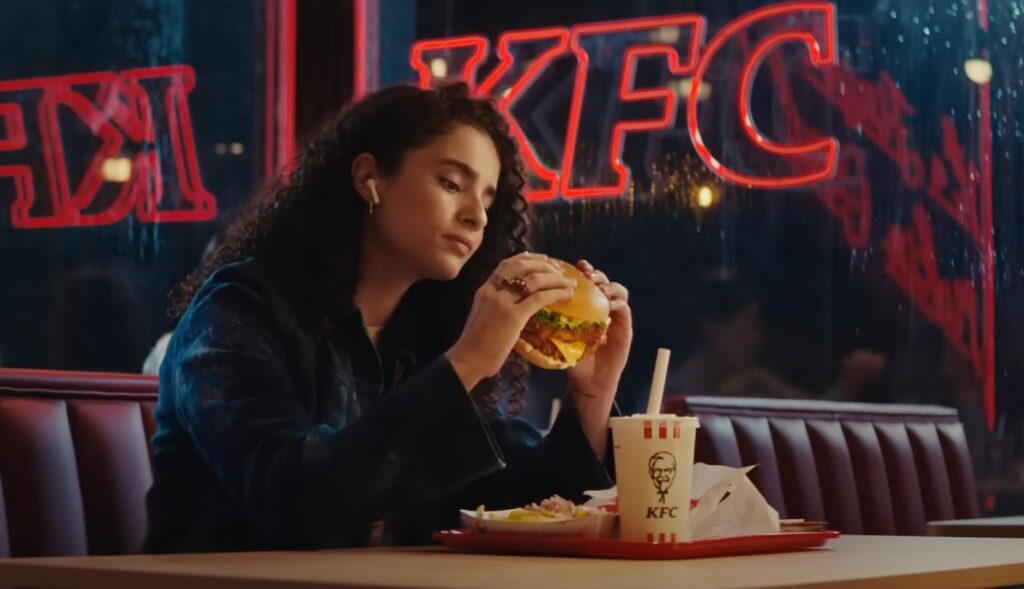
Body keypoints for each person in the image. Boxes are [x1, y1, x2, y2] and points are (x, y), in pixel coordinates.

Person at [143, 83, 633, 553]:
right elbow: (293, 497)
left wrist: (592, 393)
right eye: (452, 184)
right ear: (368, 179)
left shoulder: (420, 334)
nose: (477, 217)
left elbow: (520, 503)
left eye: (487, 201)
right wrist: (467, 362)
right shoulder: (236, 312)